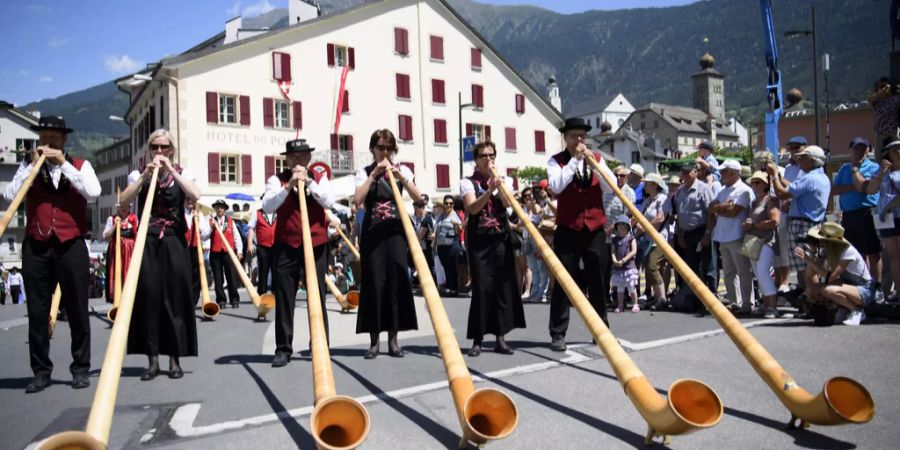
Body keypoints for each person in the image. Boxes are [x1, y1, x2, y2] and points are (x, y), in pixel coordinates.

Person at [3, 116, 100, 393]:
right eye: (45, 137)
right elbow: (11, 196)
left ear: (64, 140)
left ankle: (80, 368)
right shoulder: (29, 166)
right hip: (37, 245)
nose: (50, 141)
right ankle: (41, 371)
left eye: (55, 137)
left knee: (78, 310)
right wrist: (30, 166)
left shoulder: (81, 166)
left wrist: (63, 164)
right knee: (37, 312)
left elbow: (93, 192)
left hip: (71, 244)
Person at [119, 128, 201, 380]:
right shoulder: (138, 174)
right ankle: (152, 359)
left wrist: (172, 170)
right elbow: (123, 201)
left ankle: (174, 359)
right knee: (150, 297)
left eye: (164, 147)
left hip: (174, 240)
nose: (159, 151)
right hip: (148, 239)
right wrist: (145, 175)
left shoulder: (182, 173)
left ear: (172, 150)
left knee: (175, 298)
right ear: (149, 149)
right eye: (155, 147)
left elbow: (195, 194)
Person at [262, 138, 335, 367]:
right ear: (287, 159)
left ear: (308, 158)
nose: (297, 160)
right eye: (292, 157)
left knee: (317, 295)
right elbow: (267, 206)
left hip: (316, 244)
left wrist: (309, 182)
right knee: (285, 298)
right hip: (286, 245)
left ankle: (320, 344)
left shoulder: (319, 178)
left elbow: (329, 201)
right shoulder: (277, 180)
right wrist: (289, 185)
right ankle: (283, 348)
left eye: (301, 156)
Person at [546, 117, 615, 351]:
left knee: (598, 279)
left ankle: (601, 328)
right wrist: (575, 160)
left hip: (594, 228)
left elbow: (612, 185)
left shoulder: (596, 158)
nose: (579, 140)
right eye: (574, 136)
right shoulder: (556, 162)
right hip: (568, 227)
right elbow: (557, 186)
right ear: (565, 138)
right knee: (564, 281)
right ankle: (558, 333)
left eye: (582, 136)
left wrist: (597, 165)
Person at [353, 129, 422, 359]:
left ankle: (394, 340)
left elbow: (418, 197)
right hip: (373, 232)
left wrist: (400, 177)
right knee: (373, 282)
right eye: (380, 147)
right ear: (373, 149)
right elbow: (357, 200)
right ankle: (374, 341)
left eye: (388, 148)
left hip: (395, 232)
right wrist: (374, 175)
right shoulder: (363, 172)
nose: (384, 152)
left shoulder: (402, 169)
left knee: (396, 280)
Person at [460, 141, 526, 356]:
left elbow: (508, 204)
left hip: (500, 238)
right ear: (476, 160)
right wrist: (489, 189)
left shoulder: (503, 180)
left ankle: (501, 338)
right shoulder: (467, 182)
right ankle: (477, 339)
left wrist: (500, 186)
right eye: (483, 156)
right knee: (481, 288)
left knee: (502, 287)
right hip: (480, 239)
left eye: (491, 155)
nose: (488, 159)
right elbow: (473, 207)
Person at [768, 145, 831, 296]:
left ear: (811, 160)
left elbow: (783, 194)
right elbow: (794, 188)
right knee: (809, 266)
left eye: (802, 157)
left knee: (807, 268)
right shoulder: (821, 177)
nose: (798, 160)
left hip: (802, 225)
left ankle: (813, 300)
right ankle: (811, 300)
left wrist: (775, 175)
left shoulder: (809, 178)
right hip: (812, 224)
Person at [798, 222, 877, 326]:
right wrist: (812, 253)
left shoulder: (848, 251)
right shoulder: (827, 251)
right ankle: (843, 310)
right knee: (814, 290)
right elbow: (810, 275)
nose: (820, 242)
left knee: (827, 290)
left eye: (822, 240)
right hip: (849, 286)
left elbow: (830, 278)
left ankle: (857, 311)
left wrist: (808, 260)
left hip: (864, 290)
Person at [832, 137, 882, 297]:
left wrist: (856, 180)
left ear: (868, 150)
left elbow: (864, 189)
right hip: (849, 216)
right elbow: (834, 189)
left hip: (866, 213)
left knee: (873, 253)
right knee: (854, 254)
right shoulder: (844, 169)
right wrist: (854, 186)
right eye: (856, 148)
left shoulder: (874, 167)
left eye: (863, 148)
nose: (859, 151)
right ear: (850, 150)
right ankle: (860, 286)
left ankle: (877, 287)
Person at [709, 159, 754, 313]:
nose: (721, 174)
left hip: (736, 235)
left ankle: (747, 303)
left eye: (725, 171)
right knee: (728, 273)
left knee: (742, 271)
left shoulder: (743, 190)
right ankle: (735, 302)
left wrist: (718, 209)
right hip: (723, 235)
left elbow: (734, 212)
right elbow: (710, 207)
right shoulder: (723, 190)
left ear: (734, 173)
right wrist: (723, 207)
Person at [673, 163, 716, 296]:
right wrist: (680, 234)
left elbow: (711, 213)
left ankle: (712, 294)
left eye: (688, 172)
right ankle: (695, 297)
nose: (685, 175)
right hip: (686, 233)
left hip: (701, 231)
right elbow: (678, 214)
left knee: (708, 265)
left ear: (696, 172)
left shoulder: (703, 189)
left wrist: (707, 234)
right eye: (683, 172)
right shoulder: (680, 190)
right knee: (691, 267)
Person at [866, 136, 900, 301]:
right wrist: (880, 174)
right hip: (886, 218)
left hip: (893, 213)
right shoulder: (882, 170)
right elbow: (871, 191)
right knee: (892, 255)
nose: (897, 151)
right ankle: (898, 292)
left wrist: (887, 207)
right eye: (894, 149)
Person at [743, 171, 781, 318]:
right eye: (753, 182)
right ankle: (766, 305)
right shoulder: (754, 202)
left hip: (766, 241)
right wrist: (748, 225)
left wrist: (754, 225)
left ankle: (772, 306)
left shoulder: (771, 200)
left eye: (757, 182)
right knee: (759, 274)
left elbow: (775, 221)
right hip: (754, 241)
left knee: (763, 272)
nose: (754, 185)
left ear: (766, 184)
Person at [773, 137, 807, 293]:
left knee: (804, 257)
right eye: (791, 148)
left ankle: (807, 291)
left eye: (797, 147)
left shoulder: (806, 168)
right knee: (788, 250)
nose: (793, 151)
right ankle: (795, 287)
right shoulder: (789, 168)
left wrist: (777, 176)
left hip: (801, 215)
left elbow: (795, 189)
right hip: (788, 213)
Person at [635, 173, 669, 307]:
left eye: (648, 183)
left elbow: (661, 218)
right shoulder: (648, 201)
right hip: (649, 239)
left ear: (655, 185)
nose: (645, 185)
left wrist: (644, 225)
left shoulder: (662, 199)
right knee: (650, 268)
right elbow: (639, 216)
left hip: (659, 239)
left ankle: (662, 298)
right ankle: (657, 297)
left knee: (652, 265)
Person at [208, 199, 243, 309]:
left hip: (229, 253)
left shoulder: (231, 221)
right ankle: (221, 300)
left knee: (231, 276)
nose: (219, 209)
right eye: (218, 207)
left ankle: (234, 299)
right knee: (218, 278)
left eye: (222, 207)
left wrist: (240, 250)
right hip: (215, 252)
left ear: (225, 209)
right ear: (215, 209)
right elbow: (204, 236)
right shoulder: (210, 221)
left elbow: (236, 237)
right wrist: (211, 227)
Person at [102, 201, 138, 304]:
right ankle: (116, 303)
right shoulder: (111, 219)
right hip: (116, 254)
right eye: (121, 206)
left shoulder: (134, 219)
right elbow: (105, 236)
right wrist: (115, 226)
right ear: (118, 208)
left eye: (126, 206)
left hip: (130, 254)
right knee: (116, 276)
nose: (124, 208)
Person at [184, 197, 211, 306]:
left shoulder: (199, 215)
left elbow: (204, 235)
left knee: (196, 276)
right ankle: (184, 300)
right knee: (183, 275)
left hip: (195, 249)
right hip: (182, 248)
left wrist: (211, 228)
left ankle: (193, 301)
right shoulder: (179, 213)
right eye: (188, 199)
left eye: (193, 200)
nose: (190, 201)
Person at [434, 194, 463, 296]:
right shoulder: (441, 216)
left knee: (452, 267)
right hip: (442, 245)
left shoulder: (456, 216)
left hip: (452, 244)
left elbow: (459, 231)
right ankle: (449, 287)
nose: (449, 205)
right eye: (446, 203)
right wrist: (434, 245)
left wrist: (456, 224)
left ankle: (453, 289)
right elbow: (437, 231)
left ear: (453, 204)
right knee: (445, 267)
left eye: (451, 203)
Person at [610, 216, 639, 313]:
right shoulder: (615, 239)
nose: (621, 227)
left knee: (631, 287)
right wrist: (614, 260)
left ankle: (635, 304)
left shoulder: (631, 238)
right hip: (618, 268)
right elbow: (613, 251)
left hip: (629, 266)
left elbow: (634, 251)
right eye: (619, 225)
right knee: (620, 288)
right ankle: (620, 305)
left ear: (627, 227)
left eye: (623, 225)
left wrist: (623, 260)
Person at [247, 204, 277, 296]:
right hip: (263, 246)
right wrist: (249, 244)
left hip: (276, 246)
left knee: (276, 270)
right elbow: (251, 228)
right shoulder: (257, 213)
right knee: (263, 271)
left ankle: (276, 292)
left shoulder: (278, 212)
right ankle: (262, 293)